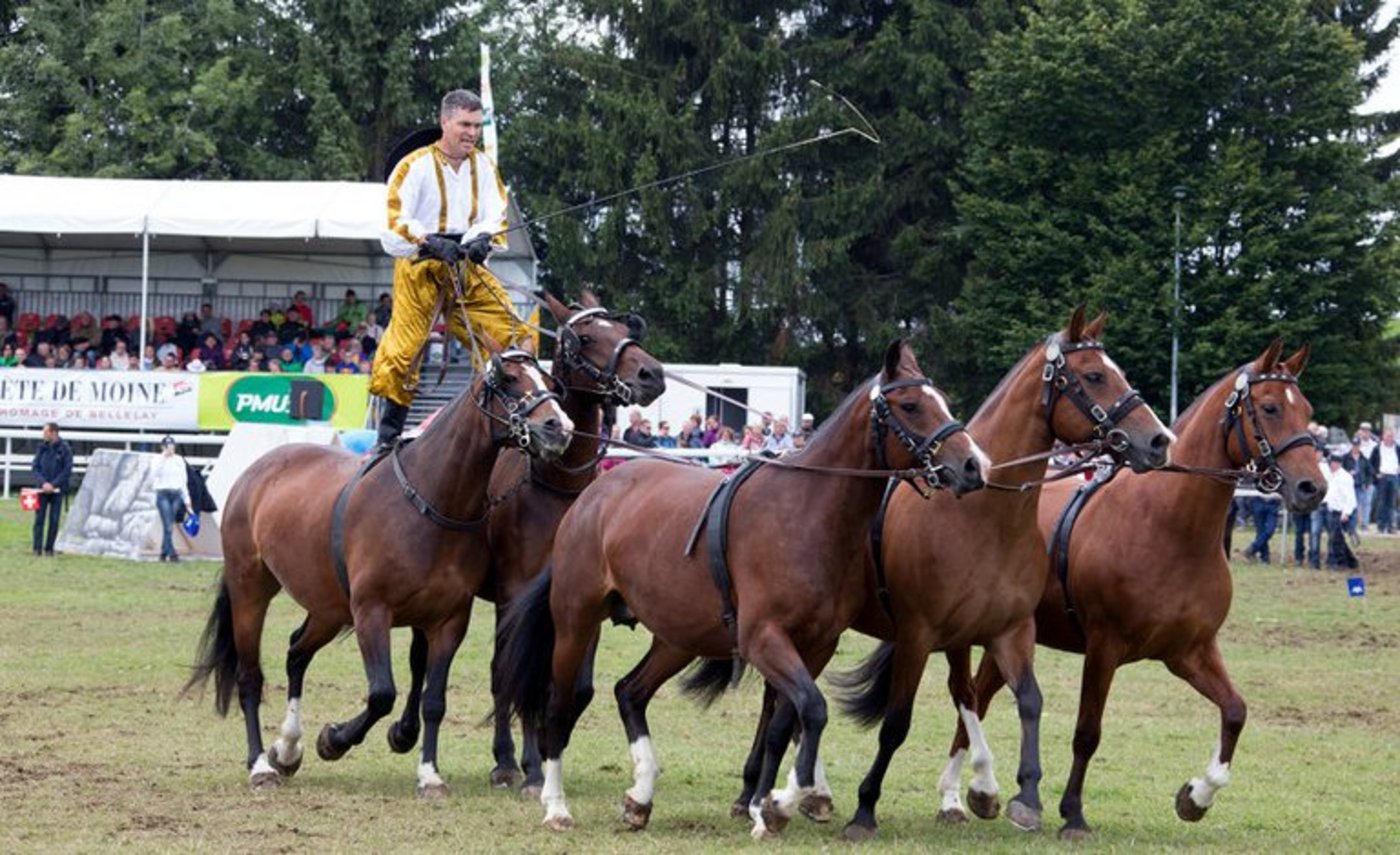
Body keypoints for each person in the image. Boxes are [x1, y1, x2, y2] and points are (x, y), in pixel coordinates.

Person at [370, 88, 530, 451]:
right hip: (421, 264)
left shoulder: (485, 168)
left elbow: (496, 214)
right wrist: (427, 241)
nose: (471, 133)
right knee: (404, 350)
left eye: (476, 125)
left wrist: (481, 239)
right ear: (445, 122)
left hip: (465, 264)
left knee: (511, 335)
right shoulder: (414, 165)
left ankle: (503, 419)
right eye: (464, 124)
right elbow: (394, 221)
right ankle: (387, 437)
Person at [30, 422, 72, 557]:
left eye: (45, 431)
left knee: (54, 520)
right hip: (42, 490)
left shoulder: (65, 449)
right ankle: (37, 548)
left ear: (53, 432)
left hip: (57, 491)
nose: (43, 434)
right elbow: (35, 467)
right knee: (39, 520)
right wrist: (43, 483)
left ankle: (49, 549)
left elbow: (66, 471)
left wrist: (53, 485)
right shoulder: (42, 448)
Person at [153, 436, 192, 562]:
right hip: (163, 493)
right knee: (168, 524)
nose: (171, 449)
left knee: (169, 524)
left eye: (172, 446)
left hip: (176, 494)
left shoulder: (179, 460)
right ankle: (172, 554)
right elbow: (153, 474)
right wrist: (163, 457)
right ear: (163, 447)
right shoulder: (157, 459)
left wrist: (187, 500)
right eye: (168, 446)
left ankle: (163, 553)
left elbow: (183, 480)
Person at [1324, 451, 1359, 569]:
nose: (1330, 464)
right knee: (1337, 537)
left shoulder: (1345, 477)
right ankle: (1351, 561)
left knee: (1335, 538)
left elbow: (1350, 497)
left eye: (1332, 462)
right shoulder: (1331, 475)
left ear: (1337, 463)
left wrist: (1346, 513)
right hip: (1331, 510)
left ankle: (1340, 562)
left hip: (1340, 511)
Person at [1369, 429, 1399, 534]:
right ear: (1383, 436)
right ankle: (1381, 526)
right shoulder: (1377, 448)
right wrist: (1376, 474)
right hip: (1382, 477)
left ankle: (1391, 526)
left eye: (1391, 436)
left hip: (1394, 476)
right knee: (1381, 502)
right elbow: (1370, 464)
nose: (1389, 438)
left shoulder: (1397, 448)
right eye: (1387, 436)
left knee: (1392, 503)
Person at [1344, 439, 1374, 539]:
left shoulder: (1364, 458)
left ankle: (1362, 525)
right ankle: (1349, 526)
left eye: (1357, 445)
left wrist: (1367, 483)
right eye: (1354, 445)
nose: (1355, 447)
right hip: (1349, 486)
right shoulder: (1345, 458)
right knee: (1350, 506)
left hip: (1360, 485)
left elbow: (1370, 472)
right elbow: (1340, 470)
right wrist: (1348, 473)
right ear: (1351, 445)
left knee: (1362, 505)